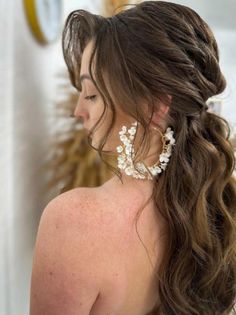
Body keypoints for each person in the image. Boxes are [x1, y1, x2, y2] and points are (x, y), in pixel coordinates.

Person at [29, 1, 236, 314]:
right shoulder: (219, 207)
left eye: (92, 94)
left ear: (154, 105)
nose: (78, 111)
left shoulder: (72, 220)